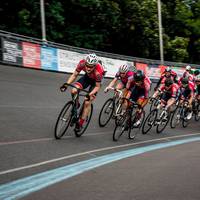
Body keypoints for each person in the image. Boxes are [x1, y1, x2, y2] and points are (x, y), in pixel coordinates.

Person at [60, 53, 104, 131]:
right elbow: (75, 75)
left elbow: (97, 86)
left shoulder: (98, 73)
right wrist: (66, 85)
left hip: (96, 83)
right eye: (87, 65)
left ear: (95, 65)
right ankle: (76, 104)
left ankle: (80, 123)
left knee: (87, 102)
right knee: (74, 90)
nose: (88, 68)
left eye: (91, 66)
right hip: (87, 78)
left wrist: (89, 94)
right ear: (85, 63)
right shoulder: (82, 63)